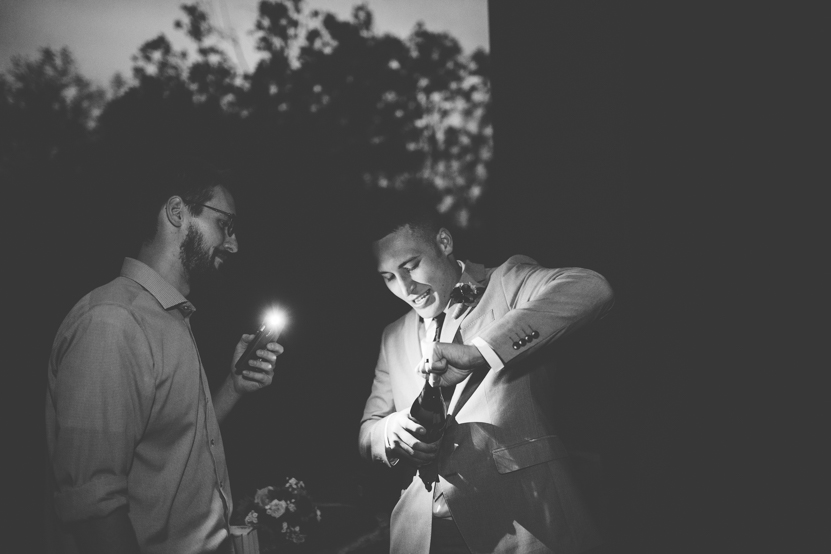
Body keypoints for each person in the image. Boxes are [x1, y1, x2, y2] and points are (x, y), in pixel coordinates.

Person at [45, 161, 282, 554]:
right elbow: (95, 510)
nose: (234, 244)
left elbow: (178, 444)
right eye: (225, 225)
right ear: (176, 212)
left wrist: (234, 386)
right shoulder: (113, 323)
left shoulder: (169, 317)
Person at [358, 190, 614, 554]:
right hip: (422, 538)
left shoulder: (506, 282)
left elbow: (592, 288)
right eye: (388, 277)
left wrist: (480, 352)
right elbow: (368, 430)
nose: (405, 288)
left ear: (444, 242)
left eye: (411, 266)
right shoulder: (392, 335)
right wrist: (391, 432)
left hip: (524, 524)